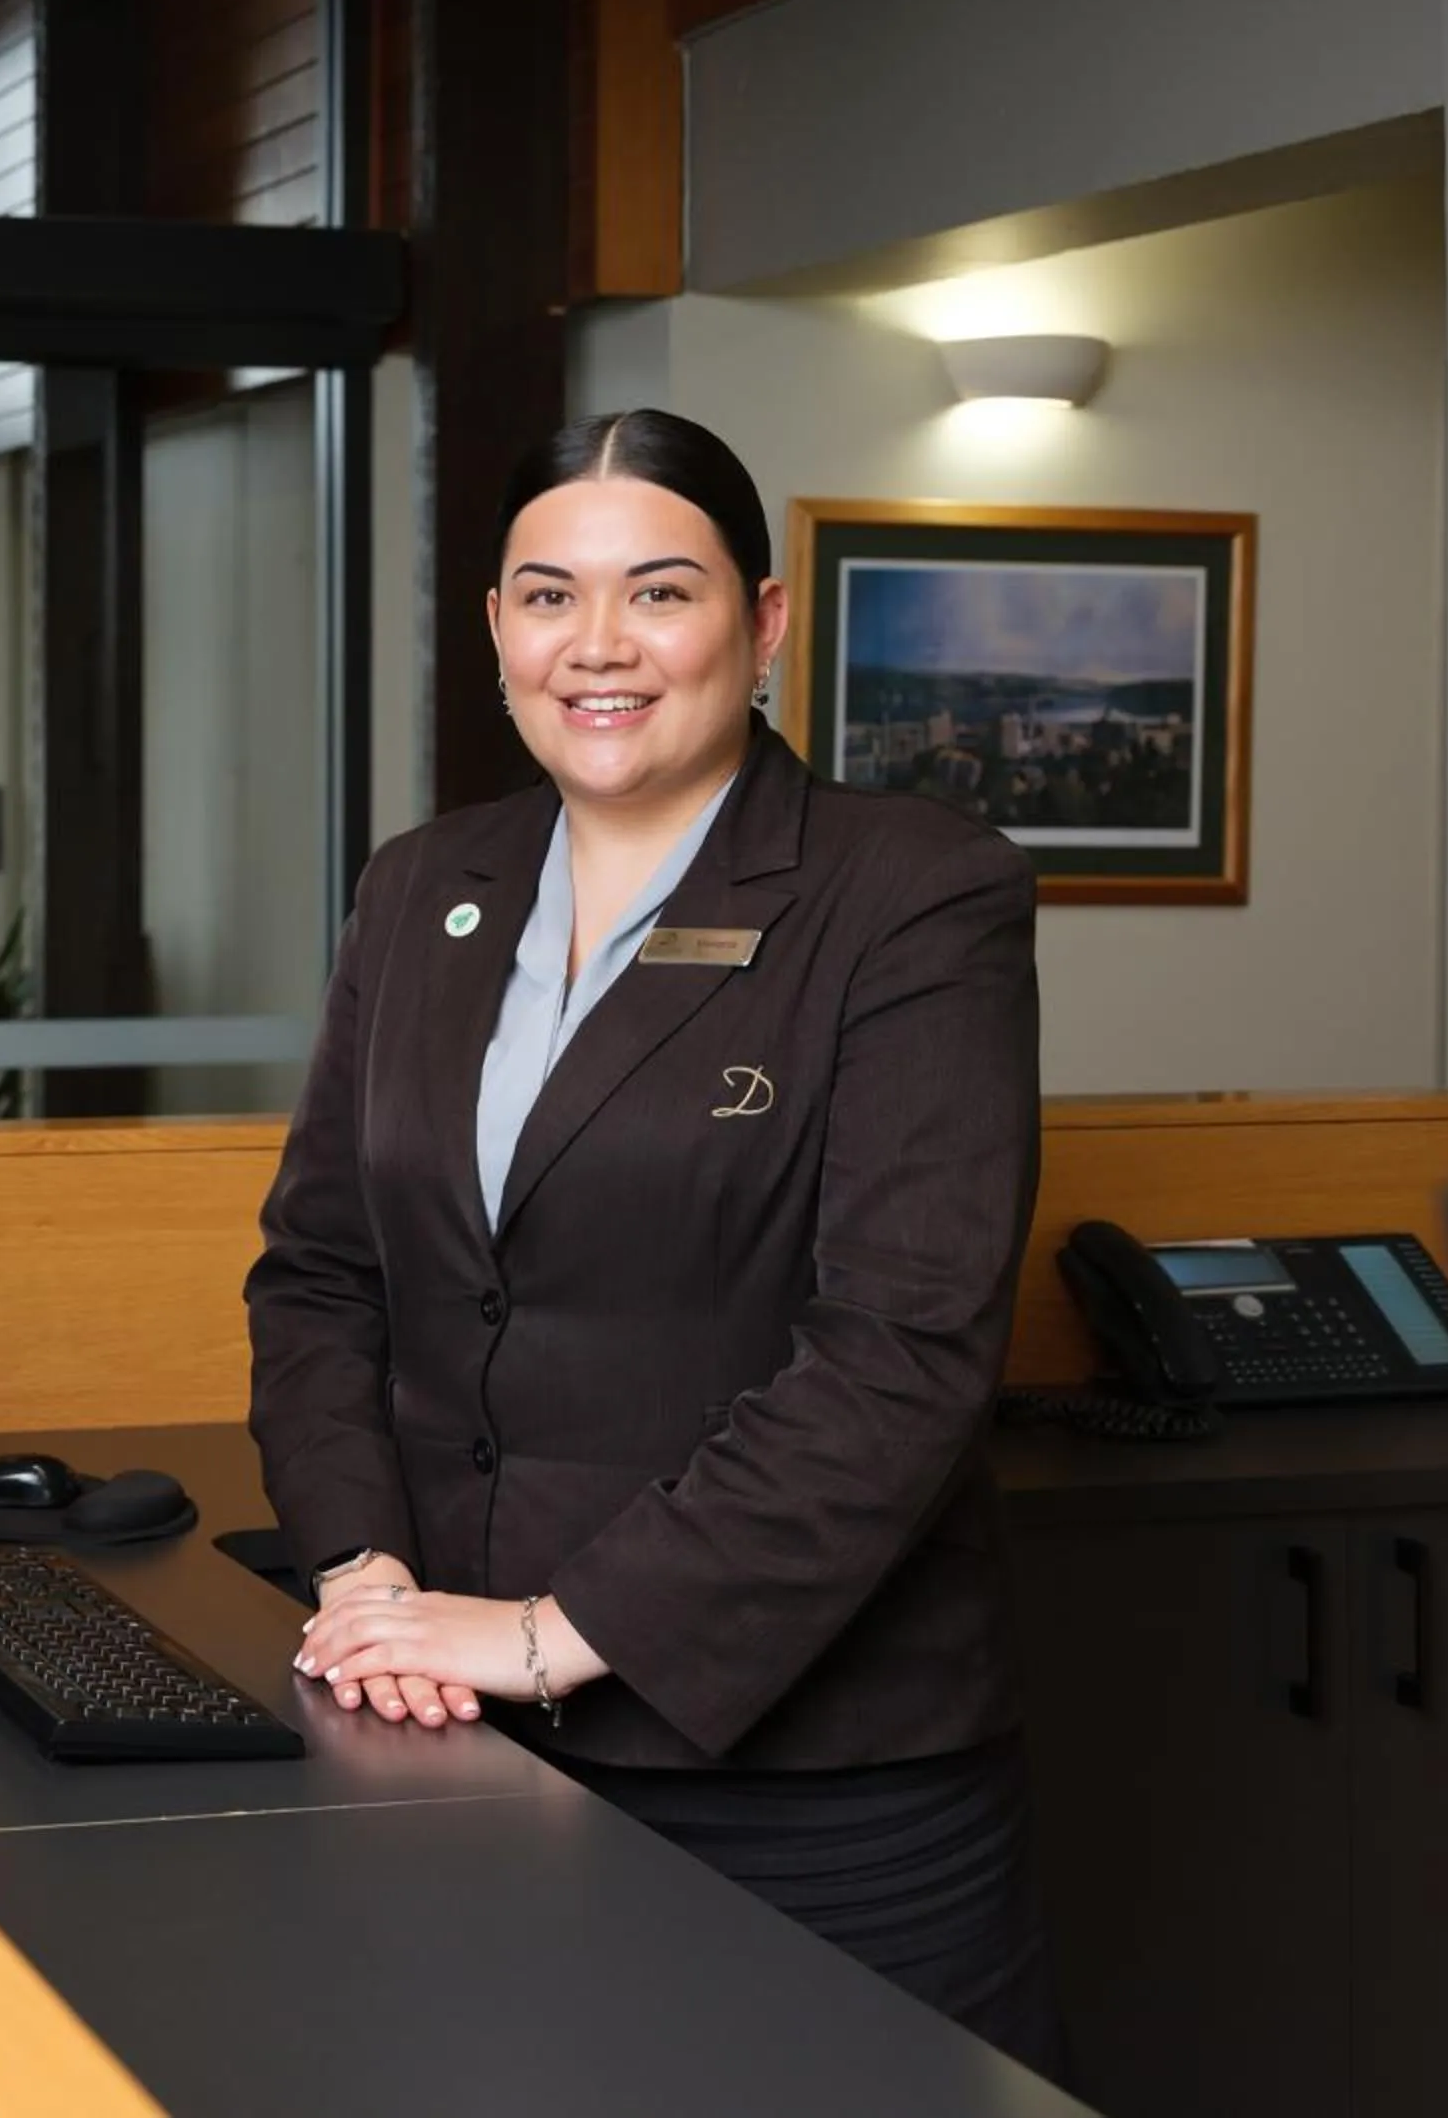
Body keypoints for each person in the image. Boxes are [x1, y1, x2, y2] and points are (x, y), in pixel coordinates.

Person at [246, 409, 1063, 2074]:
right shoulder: (425, 887)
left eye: (660, 593)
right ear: (494, 629)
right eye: (548, 596)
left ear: (762, 624)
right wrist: (363, 1576)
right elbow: (324, 1271)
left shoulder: (910, 893)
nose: (597, 646)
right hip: (450, 1743)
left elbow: (899, 1356)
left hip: (809, 1782)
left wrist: (553, 1630)